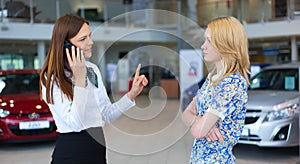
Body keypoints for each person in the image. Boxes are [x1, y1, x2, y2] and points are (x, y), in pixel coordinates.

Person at [40, 14, 148, 164]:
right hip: (71, 151)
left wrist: (131, 94)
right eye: (83, 39)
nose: (91, 42)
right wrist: (79, 80)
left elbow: (106, 114)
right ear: (65, 45)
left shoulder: (92, 69)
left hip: (97, 147)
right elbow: (75, 123)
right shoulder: (52, 78)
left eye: (90, 36)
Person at [182, 16, 250, 164]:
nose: (203, 46)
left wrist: (200, 124)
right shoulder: (213, 77)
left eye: (209, 41)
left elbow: (197, 131)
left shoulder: (232, 83)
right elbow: (185, 115)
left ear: (226, 44)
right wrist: (202, 122)